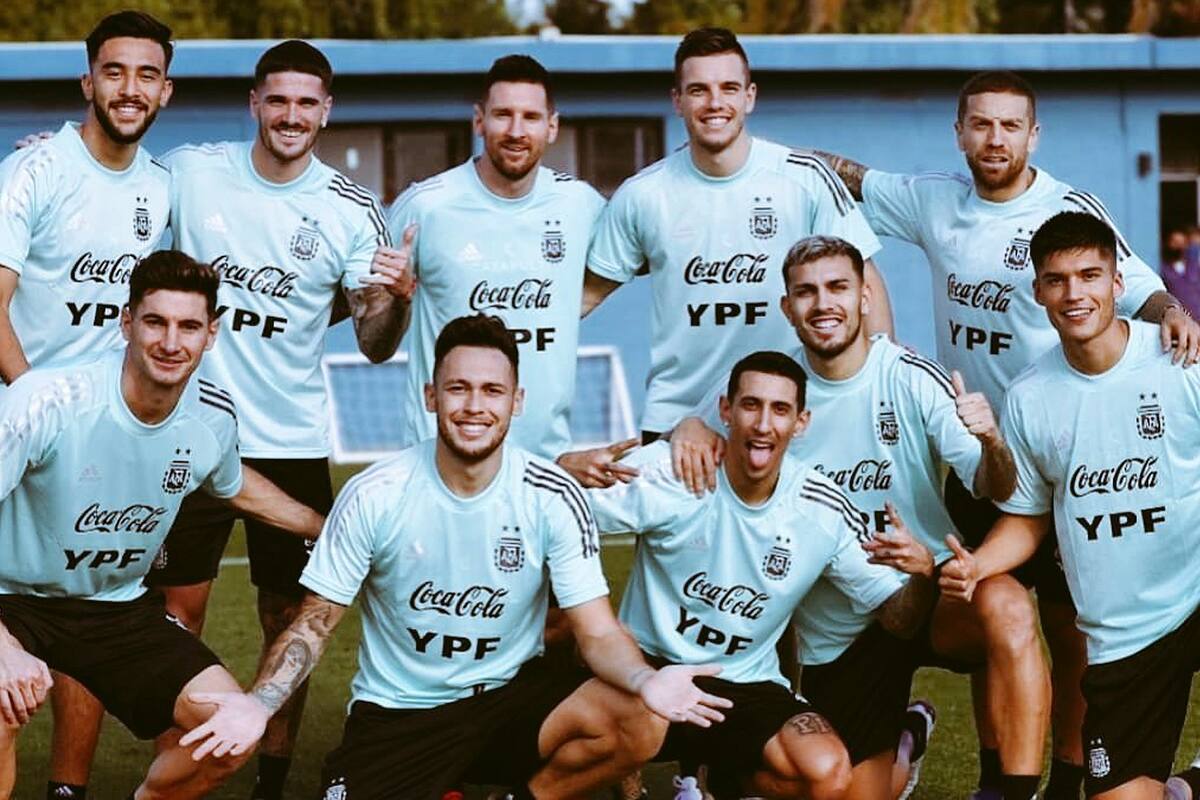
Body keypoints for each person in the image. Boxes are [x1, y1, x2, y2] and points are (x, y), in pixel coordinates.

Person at [815, 70, 1200, 800]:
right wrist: (757, 154)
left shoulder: (1068, 212)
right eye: (981, 124)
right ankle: (1000, 778)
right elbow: (854, 178)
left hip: (1076, 448)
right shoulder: (933, 200)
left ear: (1034, 135)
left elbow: (1140, 286)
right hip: (985, 452)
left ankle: (1069, 777)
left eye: (1010, 125)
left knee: (1073, 625)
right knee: (996, 613)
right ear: (960, 132)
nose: (995, 139)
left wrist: (1174, 314)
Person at [177, 314, 729, 800]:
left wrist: (644, 679)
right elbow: (315, 622)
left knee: (639, 717)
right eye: (458, 388)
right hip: (401, 713)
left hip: (508, 703)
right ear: (430, 396)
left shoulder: (553, 495)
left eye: (492, 391)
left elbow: (599, 632)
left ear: (516, 402)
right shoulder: (375, 493)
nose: (474, 406)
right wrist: (260, 703)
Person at [131, 40, 410, 800]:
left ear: (326, 111)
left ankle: (272, 781)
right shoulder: (192, 172)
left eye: (306, 102)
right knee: (175, 616)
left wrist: (397, 300)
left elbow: (377, 344)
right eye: (278, 99)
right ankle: (178, 776)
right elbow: (118, 187)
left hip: (290, 442)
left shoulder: (350, 209)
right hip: (191, 433)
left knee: (289, 619)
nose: (291, 115)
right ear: (254, 103)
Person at [671, 237, 1046, 800]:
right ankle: (907, 739)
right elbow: (699, 426)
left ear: (865, 298)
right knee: (841, 787)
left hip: (927, 588)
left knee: (1008, 605)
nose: (824, 303)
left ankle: (1010, 791)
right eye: (806, 292)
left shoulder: (909, 376)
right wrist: (687, 427)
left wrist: (992, 441)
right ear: (787, 307)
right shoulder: (778, 388)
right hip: (839, 622)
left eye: (838, 287)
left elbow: (994, 485)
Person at [0, 250, 324, 800]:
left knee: (232, 732)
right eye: (156, 322)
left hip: (116, 609)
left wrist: (321, 525)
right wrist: (3, 646)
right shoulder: (47, 401)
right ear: (127, 322)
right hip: (13, 599)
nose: (171, 342)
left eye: (189, 326)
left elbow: (233, 485)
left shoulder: (212, 417)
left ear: (211, 333)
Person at [587, 349, 938, 800]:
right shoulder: (674, 469)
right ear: (725, 410)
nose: (763, 424)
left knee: (829, 775)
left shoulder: (821, 508)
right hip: (649, 667)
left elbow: (899, 620)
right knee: (598, 715)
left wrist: (923, 575)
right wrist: (565, 469)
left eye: (780, 410)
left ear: (801, 422)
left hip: (744, 683)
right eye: (751, 405)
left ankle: (724, 780)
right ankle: (621, 776)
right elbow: (554, 516)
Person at [939, 211, 1200, 800]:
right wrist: (979, 564)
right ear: (1038, 292)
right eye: (1057, 280)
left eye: (1089, 276)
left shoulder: (1181, 360)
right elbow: (1030, 518)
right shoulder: (1030, 397)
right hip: (1125, 633)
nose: (1074, 293)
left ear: (1117, 283)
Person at [0, 12, 177, 798]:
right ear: (88, 81)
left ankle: (66, 789)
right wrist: (38, 413)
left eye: (146, 74)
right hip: (18, 430)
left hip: (105, 443)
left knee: (94, 608)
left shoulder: (162, 188)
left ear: (165, 91)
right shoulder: (33, 171)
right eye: (114, 71)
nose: (129, 88)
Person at [582, 26, 893, 445]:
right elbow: (584, 296)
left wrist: (881, 392)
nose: (715, 103)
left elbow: (864, 280)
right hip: (678, 420)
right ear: (677, 100)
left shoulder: (804, 178)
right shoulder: (643, 195)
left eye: (729, 88)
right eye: (698, 90)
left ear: (750, 96)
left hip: (782, 413)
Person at [387, 55, 635, 488]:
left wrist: (568, 305)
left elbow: (635, 255)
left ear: (552, 126)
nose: (516, 130)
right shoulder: (425, 206)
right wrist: (395, 302)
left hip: (545, 464)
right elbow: (376, 335)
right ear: (479, 121)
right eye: (503, 115)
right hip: (441, 464)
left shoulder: (580, 205)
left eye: (531, 117)